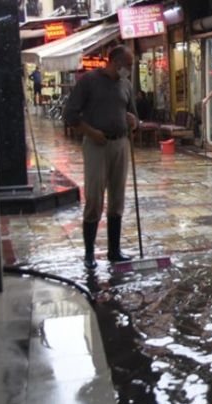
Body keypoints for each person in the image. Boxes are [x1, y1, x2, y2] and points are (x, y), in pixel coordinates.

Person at [63, 45, 138, 269]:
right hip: (97, 144)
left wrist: (134, 123)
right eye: (129, 65)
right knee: (94, 197)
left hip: (121, 143)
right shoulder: (89, 81)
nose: (130, 69)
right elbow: (70, 114)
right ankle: (89, 253)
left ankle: (114, 251)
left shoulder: (126, 85)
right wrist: (90, 132)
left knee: (117, 199)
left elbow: (134, 114)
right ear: (115, 63)